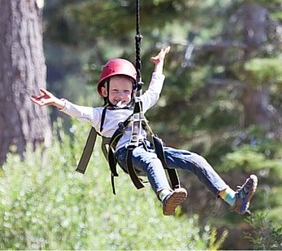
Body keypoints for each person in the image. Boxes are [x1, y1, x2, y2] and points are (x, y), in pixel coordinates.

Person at [30, 46, 258, 216]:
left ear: (132, 92)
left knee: (195, 159)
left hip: (149, 149)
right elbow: (77, 111)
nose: (121, 95)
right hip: (128, 154)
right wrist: (57, 102)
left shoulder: (138, 104)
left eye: (126, 90)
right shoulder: (101, 115)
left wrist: (158, 65)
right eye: (115, 90)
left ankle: (233, 199)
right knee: (152, 162)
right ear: (105, 91)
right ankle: (166, 196)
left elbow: (154, 90)